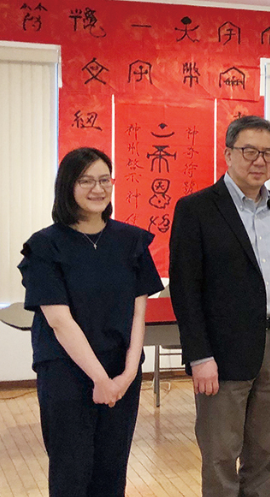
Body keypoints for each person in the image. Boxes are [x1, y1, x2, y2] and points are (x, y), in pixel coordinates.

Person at [19, 147, 163, 496]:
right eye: (86, 181)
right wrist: (101, 380)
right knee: (71, 471)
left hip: (121, 370)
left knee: (112, 471)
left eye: (104, 180)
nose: (97, 189)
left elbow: (138, 313)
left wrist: (128, 373)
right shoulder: (45, 246)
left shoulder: (131, 241)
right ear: (68, 186)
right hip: (66, 372)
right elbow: (59, 321)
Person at [169, 115, 270, 497]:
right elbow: (186, 290)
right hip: (221, 352)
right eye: (249, 151)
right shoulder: (196, 209)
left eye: (268, 153)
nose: (259, 160)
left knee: (267, 452)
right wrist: (199, 356)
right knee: (221, 455)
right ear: (228, 154)